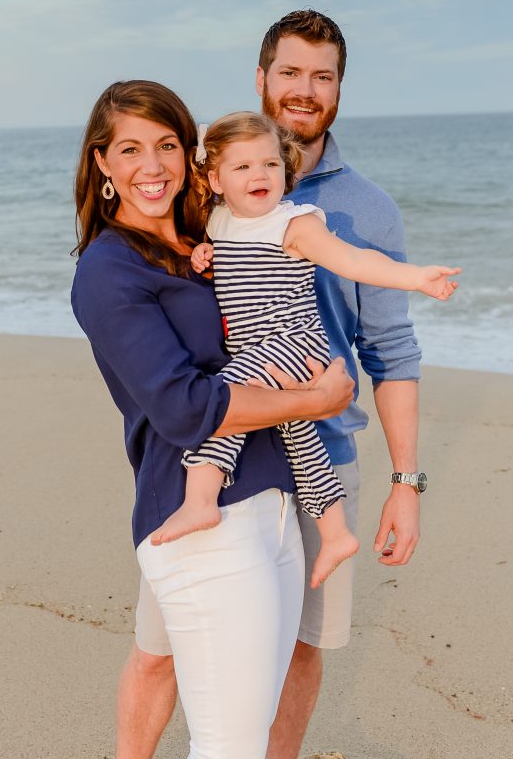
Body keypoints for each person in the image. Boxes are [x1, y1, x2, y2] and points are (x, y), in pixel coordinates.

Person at [127, 10, 431, 759]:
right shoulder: (216, 186)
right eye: (290, 72)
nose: (305, 89)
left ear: (338, 89)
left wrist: (406, 481)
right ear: (261, 79)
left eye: (322, 76)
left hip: (323, 453)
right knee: (163, 646)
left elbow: (391, 350)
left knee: (301, 647)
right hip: (226, 438)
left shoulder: (365, 209)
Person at [70, 79, 355, 759]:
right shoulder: (109, 271)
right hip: (207, 527)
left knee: (244, 739)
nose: (152, 165)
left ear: (190, 156)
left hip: (274, 504)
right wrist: (313, 402)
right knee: (229, 747)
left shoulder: (209, 237)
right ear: (102, 164)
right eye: (130, 149)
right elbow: (186, 408)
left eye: (167, 144)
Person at [151, 111, 458, 594]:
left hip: (293, 345)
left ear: (285, 171)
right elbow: (219, 263)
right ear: (215, 178)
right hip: (261, 348)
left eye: (271, 165)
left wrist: (414, 277)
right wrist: (201, 254)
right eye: (243, 167)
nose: (260, 176)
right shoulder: (218, 220)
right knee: (302, 443)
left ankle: (201, 497)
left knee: (227, 396)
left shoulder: (293, 223)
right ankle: (335, 534)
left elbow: (353, 260)